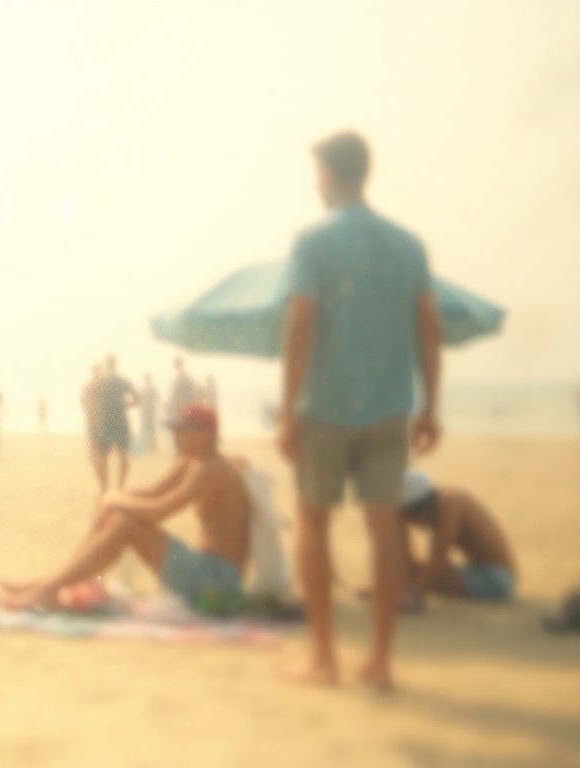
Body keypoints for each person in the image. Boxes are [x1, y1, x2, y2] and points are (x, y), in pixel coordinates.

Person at [278, 130, 441, 693]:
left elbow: (300, 325)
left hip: (324, 405)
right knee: (385, 525)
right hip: (391, 405)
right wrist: (431, 407)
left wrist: (285, 411)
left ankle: (324, 657)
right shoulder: (408, 244)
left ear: (330, 174)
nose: (316, 183)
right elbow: (429, 329)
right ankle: (380, 662)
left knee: (314, 522)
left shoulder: (313, 241)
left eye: (317, 173)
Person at [0, 404, 250, 612]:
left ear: (205, 434)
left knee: (125, 521)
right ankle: (47, 585)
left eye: (182, 431)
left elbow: (161, 509)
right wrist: (117, 498)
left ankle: (48, 588)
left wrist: (113, 499)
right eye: (174, 430)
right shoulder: (192, 461)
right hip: (203, 569)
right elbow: (152, 491)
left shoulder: (211, 469)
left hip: (217, 581)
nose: (175, 436)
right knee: (119, 514)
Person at [396, 469, 516, 604]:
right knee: (407, 569)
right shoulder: (441, 501)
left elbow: (438, 560)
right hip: (478, 571)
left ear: (418, 511)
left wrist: (412, 593)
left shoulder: (450, 503)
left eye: (409, 518)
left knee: (415, 573)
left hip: (496, 580)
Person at [90, 354, 140, 492]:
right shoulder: (123, 381)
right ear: (116, 364)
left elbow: (92, 401)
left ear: (106, 364)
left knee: (102, 455)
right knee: (123, 454)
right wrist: (124, 405)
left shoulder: (100, 382)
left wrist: (95, 419)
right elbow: (137, 399)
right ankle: (121, 487)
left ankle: (104, 487)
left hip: (105, 420)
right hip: (120, 419)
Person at [166, 357, 197, 421]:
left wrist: (172, 404)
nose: (175, 366)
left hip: (182, 407)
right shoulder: (182, 377)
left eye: (176, 364)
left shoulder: (184, 378)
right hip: (182, 406)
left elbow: (178, 393)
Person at [139, 372, 160, 453]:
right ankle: (151, 446)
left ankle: (150, 446)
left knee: (148, 429)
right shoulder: (151, 388)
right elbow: (157, 397)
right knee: (150, 429)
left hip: (147, 411)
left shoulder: (145, 388)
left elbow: (140, 399)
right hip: (149, 410)